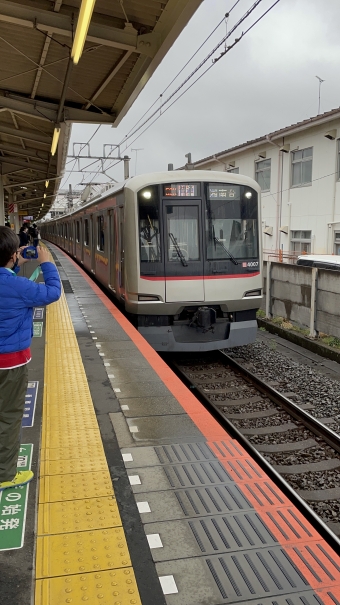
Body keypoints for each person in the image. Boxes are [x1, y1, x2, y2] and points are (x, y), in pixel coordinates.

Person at [0, 227, 61, 491]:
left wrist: (12, 265)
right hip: (10, 363)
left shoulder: (12, 281)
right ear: (13, 255)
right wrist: (47, 264)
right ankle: (5, 474)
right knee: (9, 416)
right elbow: (52, 293)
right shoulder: (19, 285)